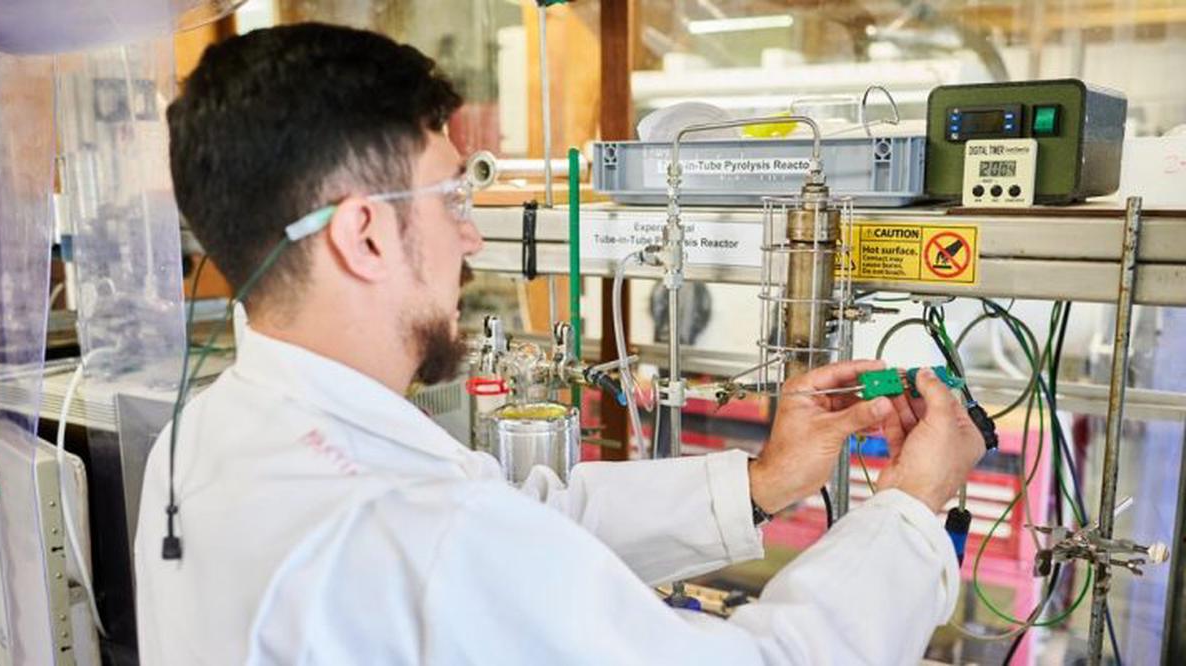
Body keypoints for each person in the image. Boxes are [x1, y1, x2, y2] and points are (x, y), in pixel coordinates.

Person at [134, 22, 984, 665]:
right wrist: (912, 512)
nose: (471, 242)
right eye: (452, 200)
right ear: (364, 236)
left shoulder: (205, 438)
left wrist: (761, 481)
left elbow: (531, 524)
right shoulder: (415, 534)